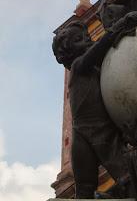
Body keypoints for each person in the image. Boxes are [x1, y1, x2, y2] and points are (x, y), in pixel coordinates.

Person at [52, 20, 129, 198]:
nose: (87, 41)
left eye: (87, 37)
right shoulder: (79, 66)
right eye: (80, 39)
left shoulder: (93, 69)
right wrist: (115, 30)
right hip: (83, 133)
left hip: (101, 129)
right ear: (68, 52)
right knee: (85, 184)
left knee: (123, 172)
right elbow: (97, 50)